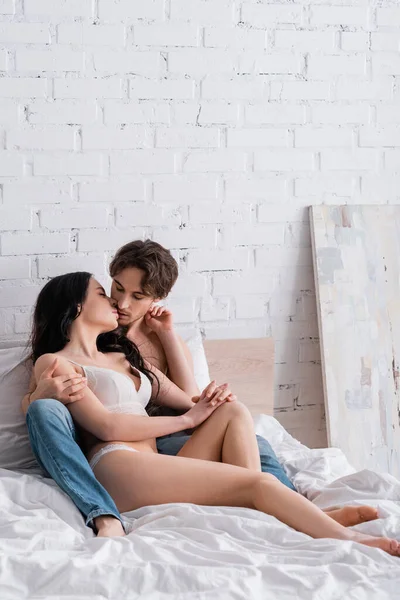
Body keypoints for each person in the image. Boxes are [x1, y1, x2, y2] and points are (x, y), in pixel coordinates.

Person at [25, 272, 400, 556]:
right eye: (103, 294)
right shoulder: (57, 362)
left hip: (157, 466)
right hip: (118, 467)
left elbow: (190, 400)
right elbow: (106, 425)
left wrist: (204, 397)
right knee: (259, 484)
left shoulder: (123, 356)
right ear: (76, 306)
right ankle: (350, 539)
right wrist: (187, 422)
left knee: (233, 412)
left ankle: (287, 514)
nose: (115, 302)